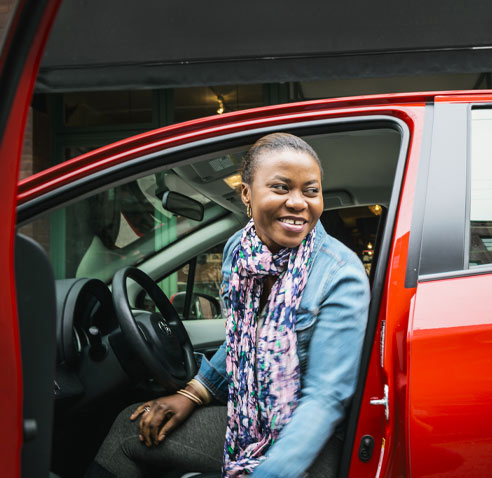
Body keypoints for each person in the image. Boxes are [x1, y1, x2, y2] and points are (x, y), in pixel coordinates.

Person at [86, 133, 370, 478]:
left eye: (311, 190)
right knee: (133, 424)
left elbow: (325, 400)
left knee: (127, 437)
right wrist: (192, 394)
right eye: (281, 187)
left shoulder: (340, 274)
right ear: (247, 194)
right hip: (250, 418)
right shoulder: (239, 250)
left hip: (316, 441)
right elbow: (242, 342)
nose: (299, 202)